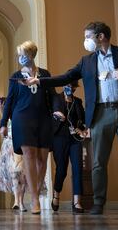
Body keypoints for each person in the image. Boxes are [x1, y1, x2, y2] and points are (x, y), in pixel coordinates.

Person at [24, 21, 118, 216]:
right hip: (100, 114)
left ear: (100, 37)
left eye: (88, 36)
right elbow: (65, 77)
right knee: (98, 160)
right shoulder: (86, 61)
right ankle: (98, 202)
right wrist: (39, 81)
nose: (85, 41)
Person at [0, 41, 57, 214]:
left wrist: (58, 111)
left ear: (32, 55)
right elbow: (9, 100)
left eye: (24, 54)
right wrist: (3, 123)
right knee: (29, 155)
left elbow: (53, 95)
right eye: (19, 55)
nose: (21, 58)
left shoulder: (45, 74)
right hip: (21, 117)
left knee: (42, 158)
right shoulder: (15, 76)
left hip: (43, 118)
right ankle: (34, 199)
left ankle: (36, 194)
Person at [51, 81, 86, 214]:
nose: (70, 88)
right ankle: (56, 194)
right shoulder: (56, 98)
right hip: (59, 138)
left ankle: (77, 201)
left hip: (75, 140)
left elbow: (83, 120)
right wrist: (56, 116)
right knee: (62, 170)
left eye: (72, 86)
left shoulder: (78, 101)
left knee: (77, 168)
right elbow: (51, 116)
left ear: (76, 88)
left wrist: (81, 129)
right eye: (68, 85)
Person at [0, 97, 27, 212]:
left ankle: (21, 202)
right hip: (9, 148)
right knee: (14, 174)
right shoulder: (6, 119)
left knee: (22, 176)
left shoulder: (21, 114)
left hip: (21, 146)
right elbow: (4, 132)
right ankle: (16, 201)